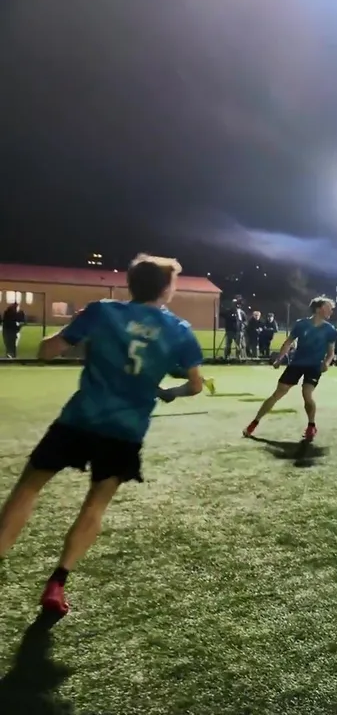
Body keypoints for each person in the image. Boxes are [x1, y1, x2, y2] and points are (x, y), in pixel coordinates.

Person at [0, 254, 205, 615]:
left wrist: (79, 335)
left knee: (29, 487)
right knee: (96, 504)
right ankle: (57, 583)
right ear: (166, 289)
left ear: (131, 284)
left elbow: (47, 351)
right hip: (125, 430)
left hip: (79, 419)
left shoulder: (102, 311)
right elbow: (195, 385)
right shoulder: (180, 330)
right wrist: (169, 392)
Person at [242, 297, 337, 442]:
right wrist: (279, 359)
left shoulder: (330, 330)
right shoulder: (301, 324)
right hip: (297, 364)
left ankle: (311, 426)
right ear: (318, 309)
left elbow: (331, 352)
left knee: (307, 394)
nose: (331, 311)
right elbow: (288, 343)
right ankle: (253, 423)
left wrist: (326, 362)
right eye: (328, 308)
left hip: (314, 367)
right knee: (277, 394)